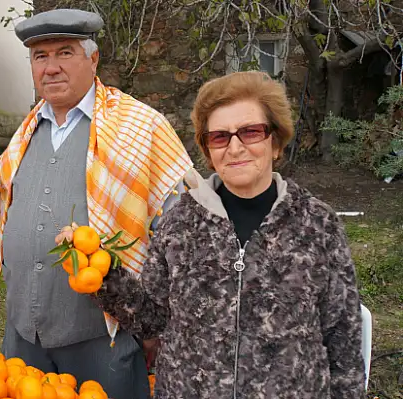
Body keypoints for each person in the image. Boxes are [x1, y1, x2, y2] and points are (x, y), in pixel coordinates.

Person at [0, 9, 192, 398]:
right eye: (40, 57)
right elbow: (2, 211)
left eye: (65, 52)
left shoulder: (141, 126)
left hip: (103, 337)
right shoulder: (24, 133)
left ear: (93, 59)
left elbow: (180, 229)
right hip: (25, 335)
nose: (52, 67)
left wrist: (157, 323)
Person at [90, 71, 366, 397]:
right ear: (208, 151)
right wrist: (104, 273)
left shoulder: (316, 224)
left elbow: (343, 334)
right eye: (220, 137)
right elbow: (152, 320)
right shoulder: (180, 222)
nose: (235, 148)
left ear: (275, 142)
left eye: (250, 132)